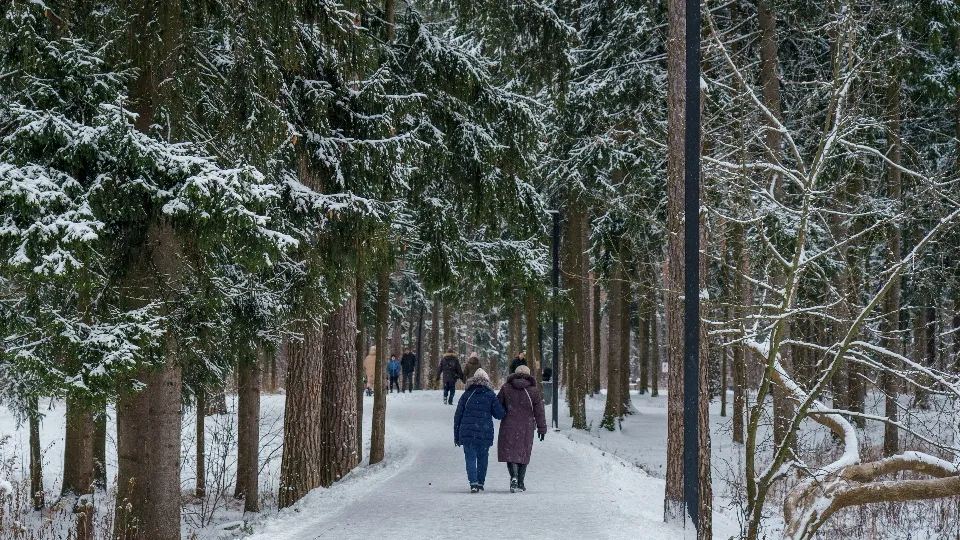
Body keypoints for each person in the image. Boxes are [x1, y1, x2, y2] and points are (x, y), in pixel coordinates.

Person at [453, 368, 505, 493]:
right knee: (483, 458)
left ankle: (473, 483)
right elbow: (499, 414)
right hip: (484, 432)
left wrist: (456, 436)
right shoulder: (490, 395)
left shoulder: (466, 394)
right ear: (487, 380)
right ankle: (481, 482)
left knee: (470, 458)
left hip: (468, 432)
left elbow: (458, 416)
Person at [497, 365, 547, 493]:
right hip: (527, 426)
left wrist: (503, 413)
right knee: (524, 452)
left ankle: (513, 477)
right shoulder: (533, 391)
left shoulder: (506, 388)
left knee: (510, 452)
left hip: (509, 424)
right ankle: (520, 482)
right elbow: (539, 411)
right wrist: (542, 429)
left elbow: (497, 406)